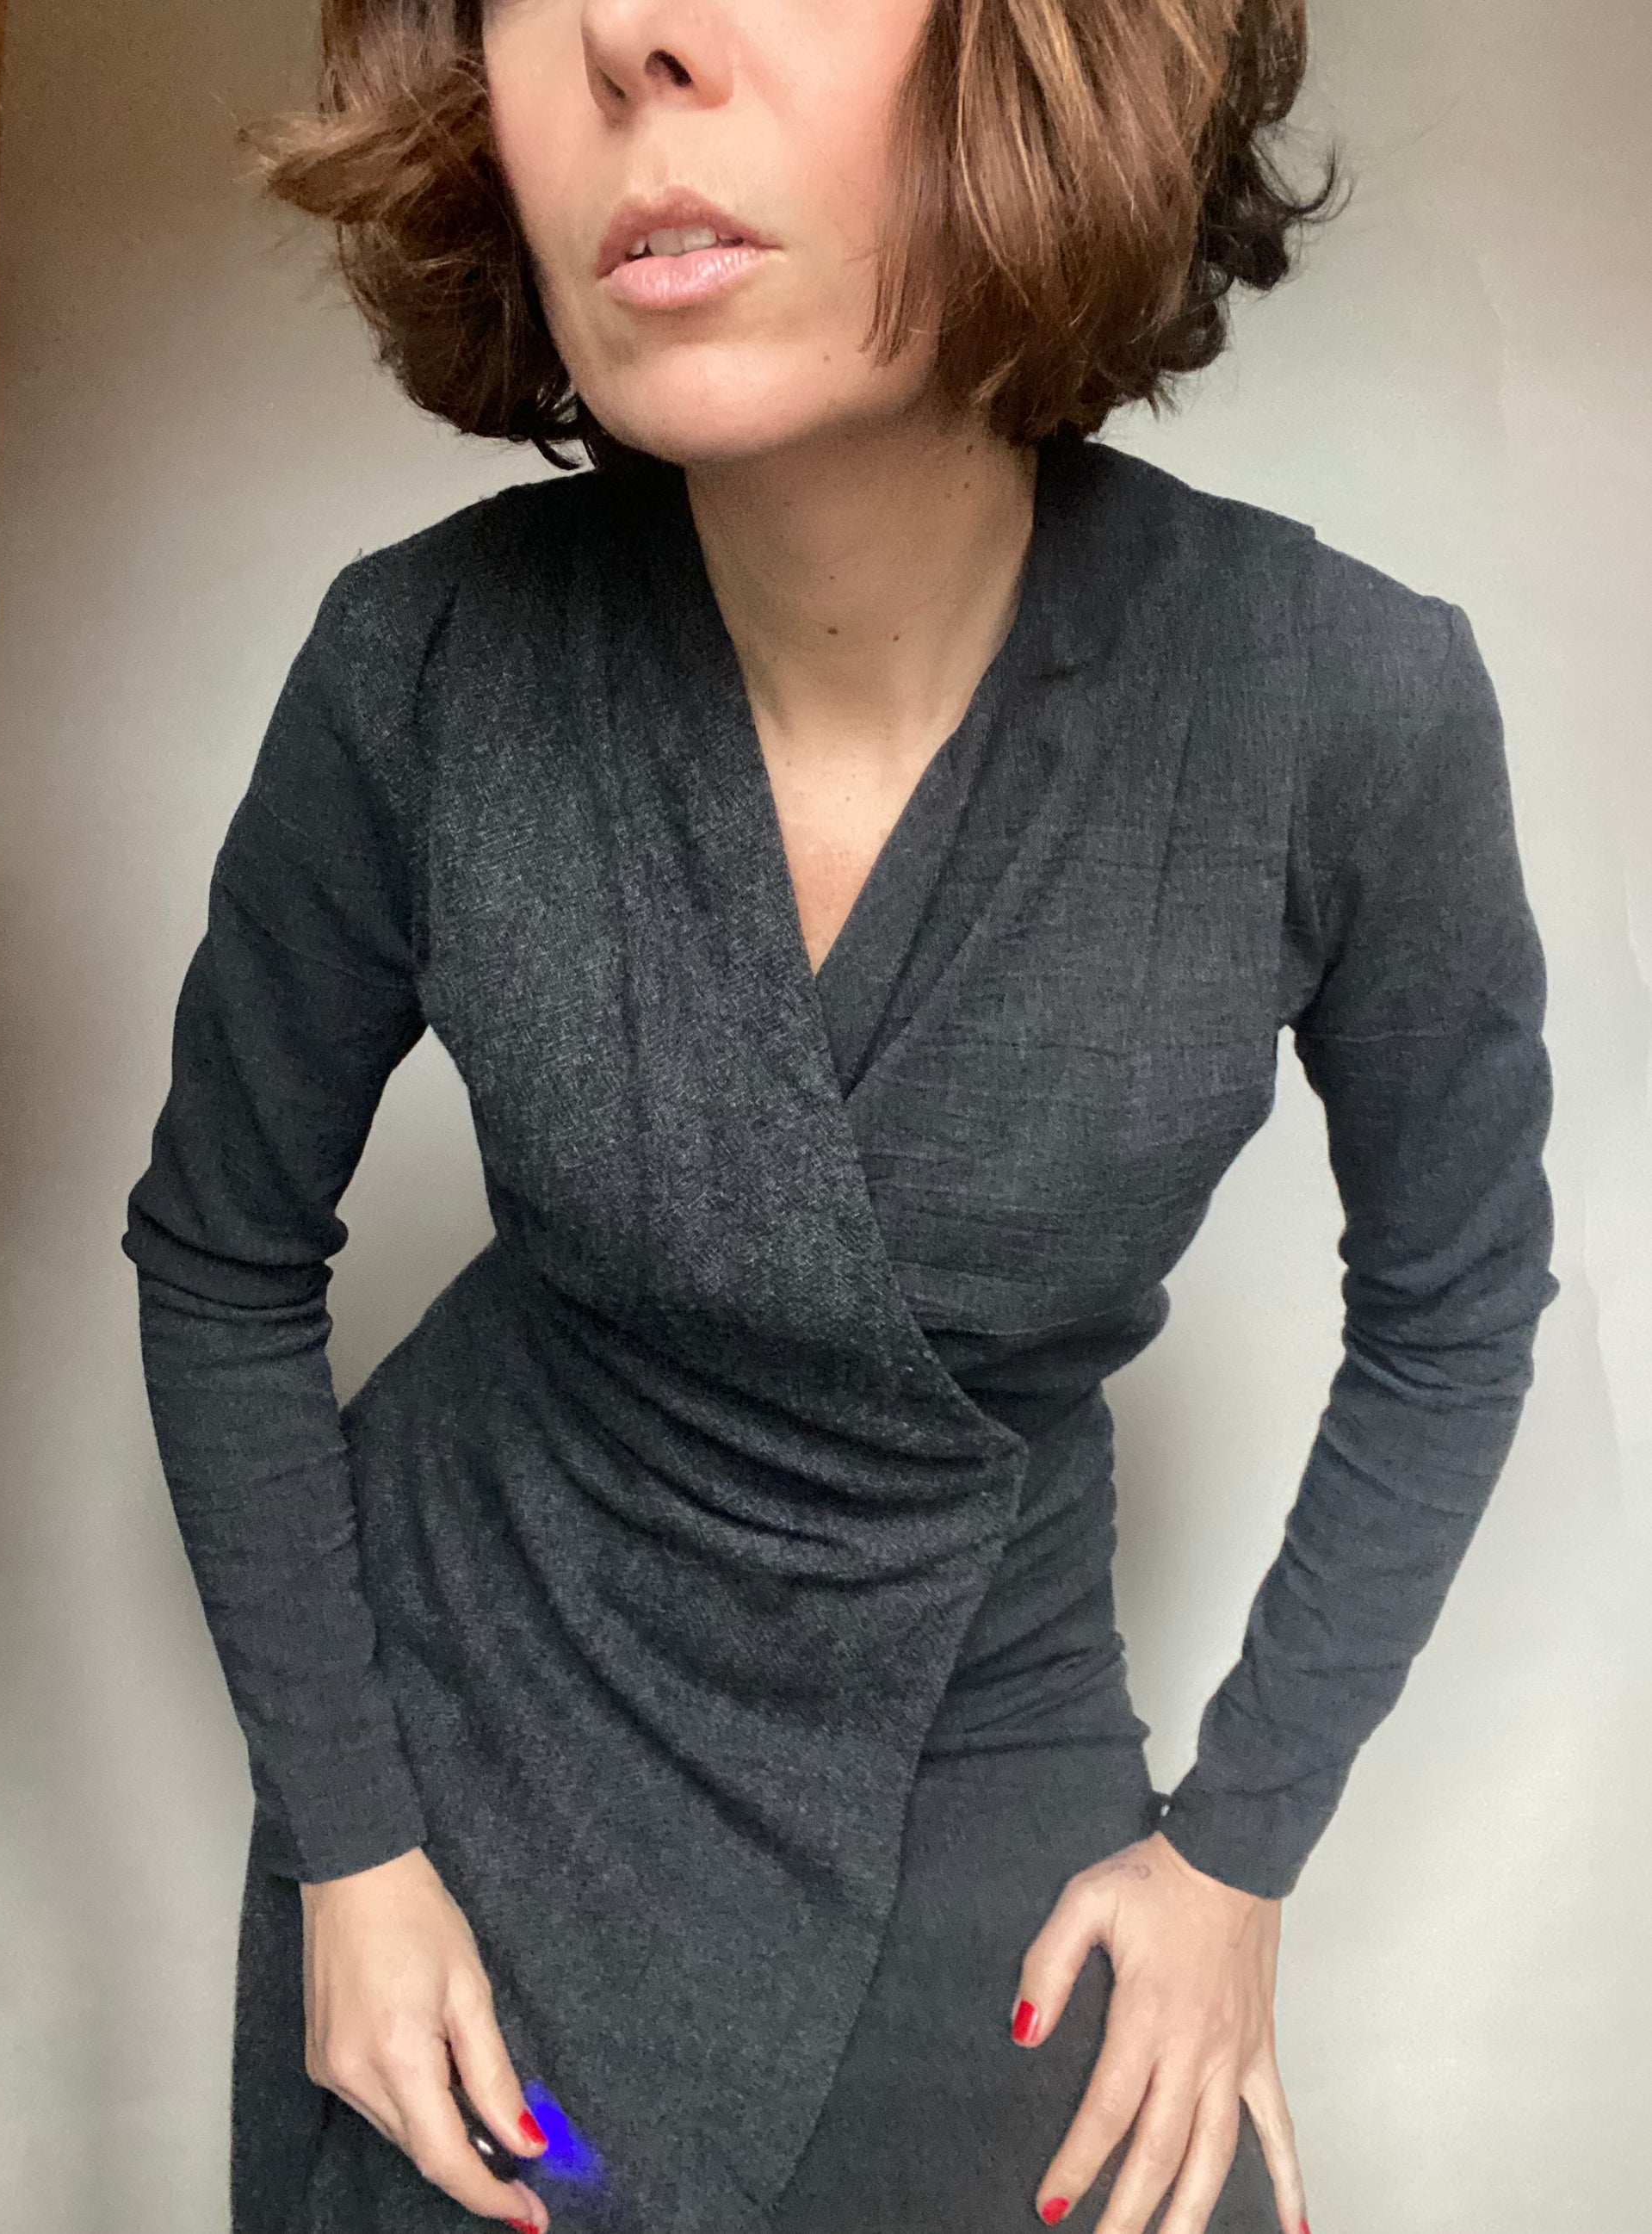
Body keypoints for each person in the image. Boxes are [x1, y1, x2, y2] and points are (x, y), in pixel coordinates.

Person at [121, 3, 1561, 2231]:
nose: (629, 33)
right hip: (472, 1747)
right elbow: (222, 1256)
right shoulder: (420, 665)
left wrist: (1237, 1855)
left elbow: (1454, 1316)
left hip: (965, 1715)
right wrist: (353, 1847)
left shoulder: (1344, 706)